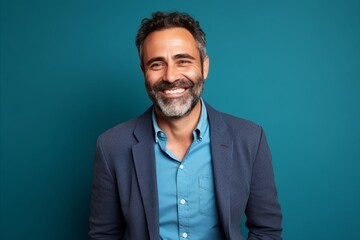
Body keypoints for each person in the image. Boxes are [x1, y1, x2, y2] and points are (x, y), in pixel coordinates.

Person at [89, 11, 282, 240]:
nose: (170, 76)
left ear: (205, 66)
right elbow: (104, 235)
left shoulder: (250, 138)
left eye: (183, 61)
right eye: (157, 64)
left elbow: (267, 230)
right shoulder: (111, 146)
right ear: (144, 72)